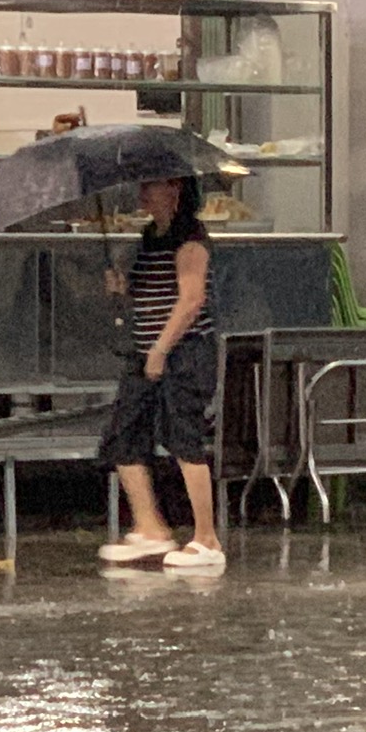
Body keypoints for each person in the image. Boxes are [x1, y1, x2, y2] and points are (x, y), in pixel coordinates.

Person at [97, 175, 224, 572]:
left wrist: (161, 349)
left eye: (150, 185)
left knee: (184, 436)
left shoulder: (190, 238)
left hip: (182, 353)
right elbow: (154, 293)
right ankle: (149, 526)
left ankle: (206, 537)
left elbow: (190, 300)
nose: (142, 193)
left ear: (175, 189)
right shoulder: (151, 236)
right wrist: (123, 288)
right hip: (147, 351)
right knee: (124, 435)